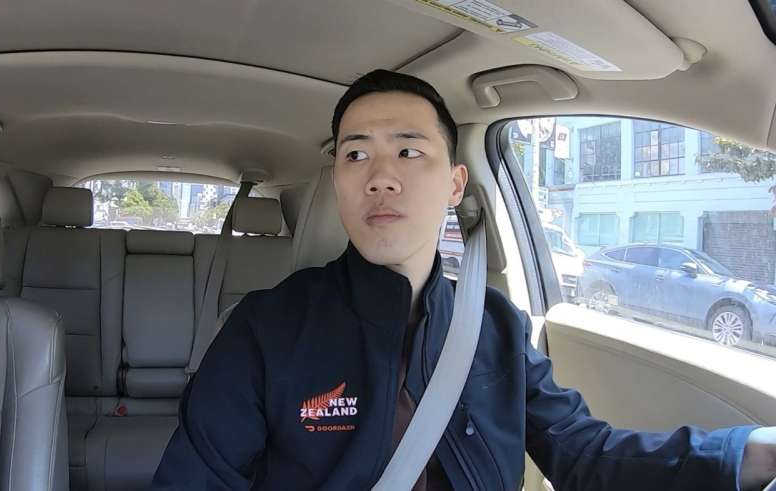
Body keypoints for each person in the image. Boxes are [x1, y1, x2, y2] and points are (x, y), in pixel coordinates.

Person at [152, 69, 776, 490]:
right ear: (338, 181)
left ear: (455, 184)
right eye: (355, 153)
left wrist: (748, 454)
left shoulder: (497, 328)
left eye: (408, 150)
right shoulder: (265, 330)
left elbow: (585, 453)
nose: (381, 175)